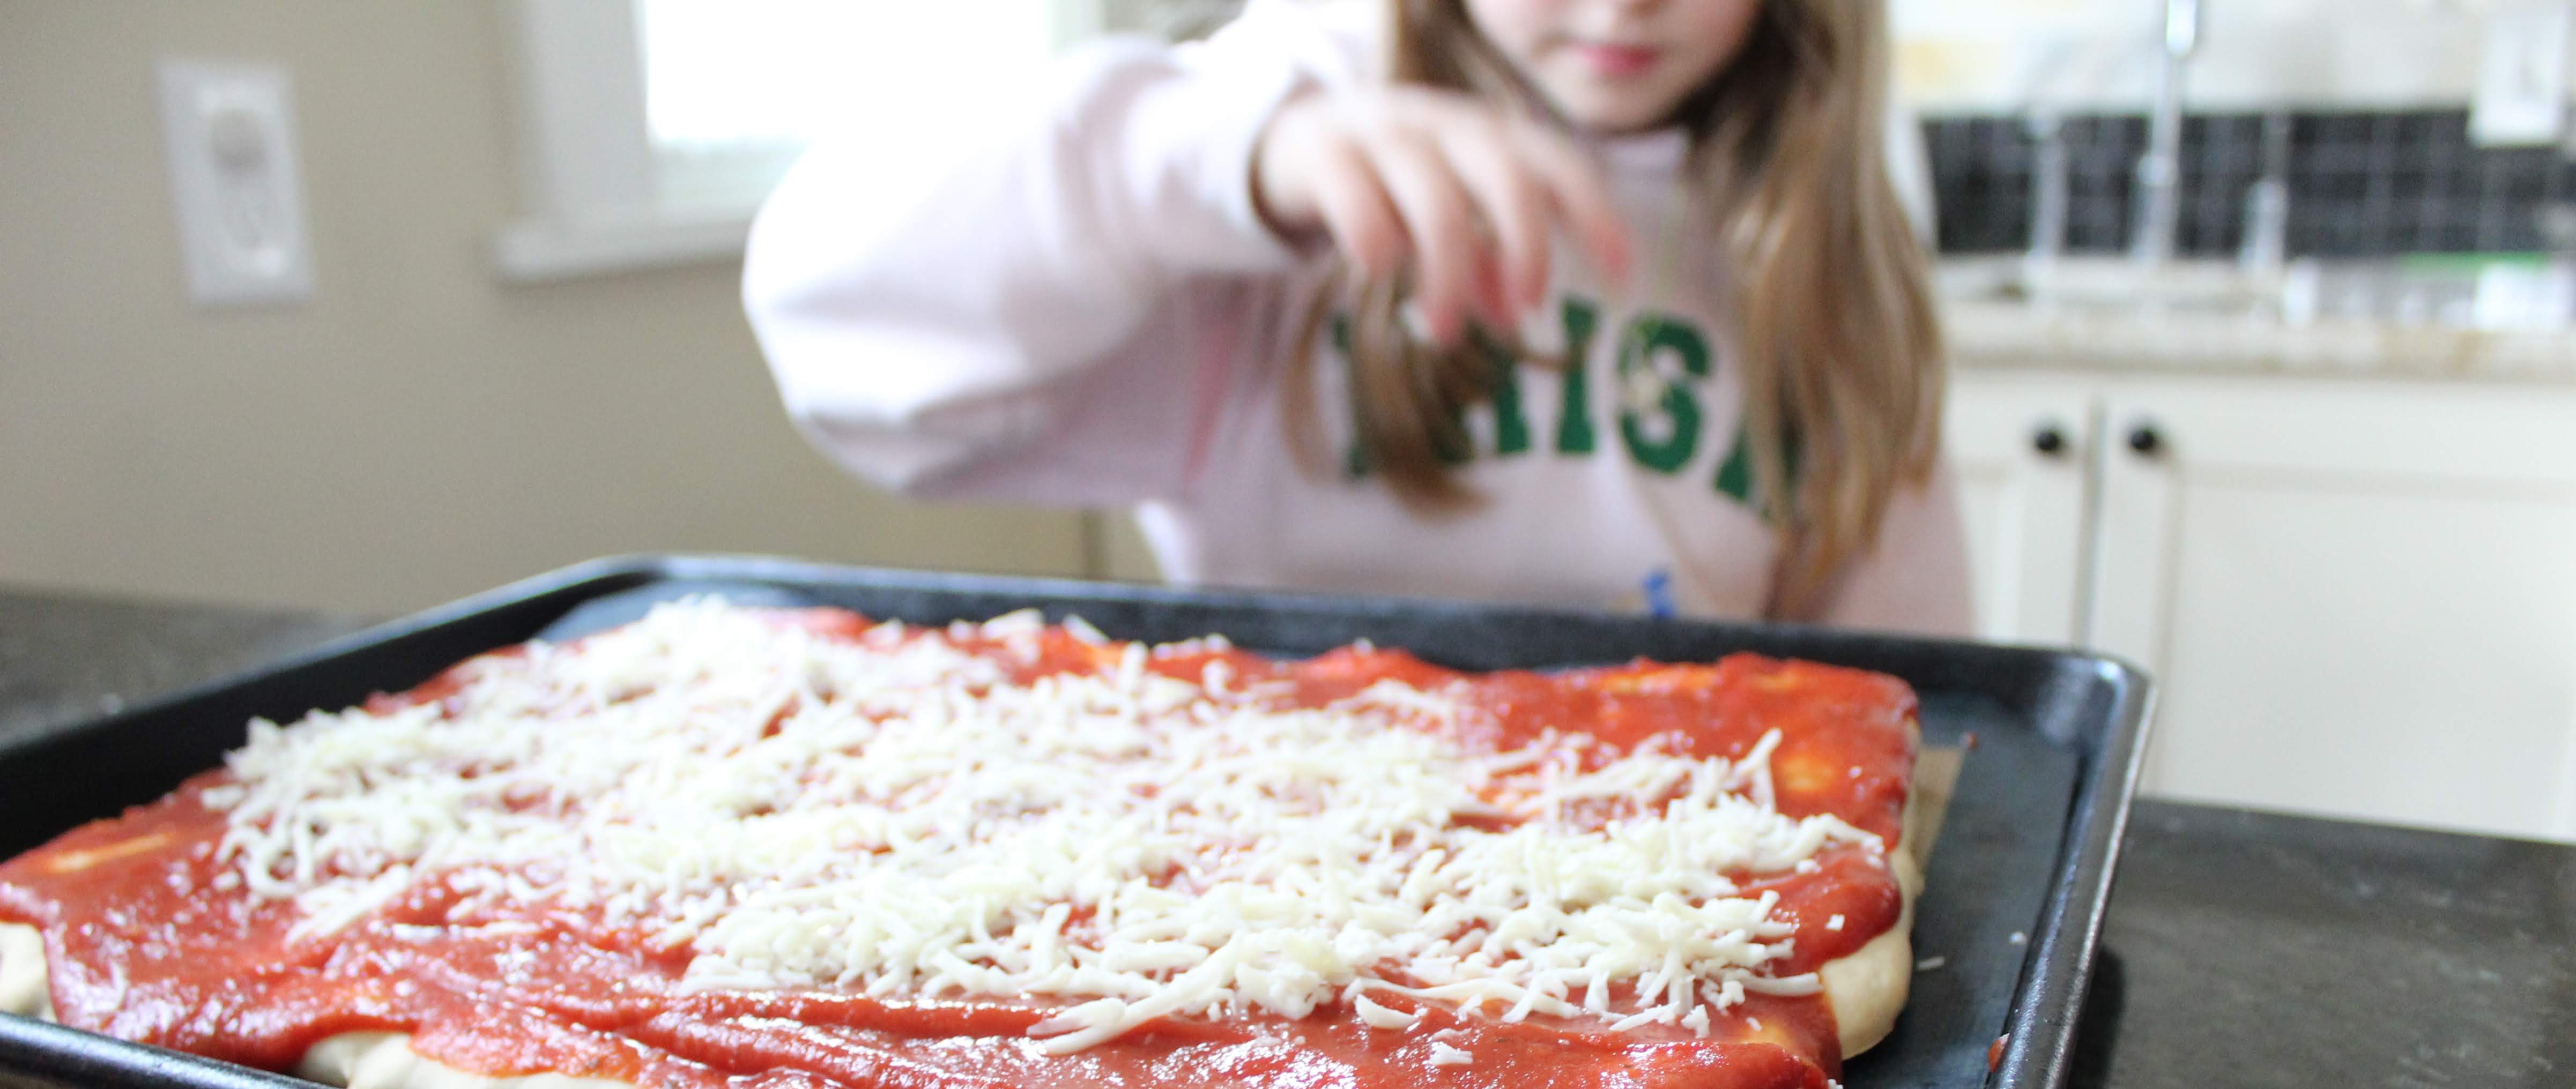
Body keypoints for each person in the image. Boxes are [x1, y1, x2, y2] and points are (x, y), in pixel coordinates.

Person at [744, 0, 1971, 632]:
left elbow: (1923, 690)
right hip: (1261, 882)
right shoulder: (1269, 150)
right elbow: (834, 326)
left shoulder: (1825, 254)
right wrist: (1233, 166)